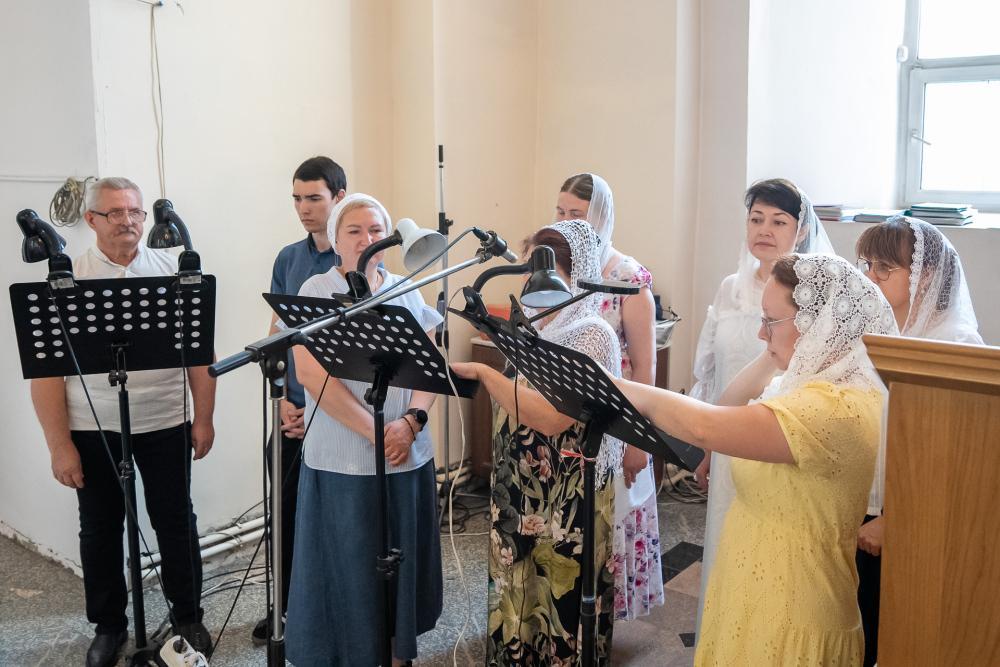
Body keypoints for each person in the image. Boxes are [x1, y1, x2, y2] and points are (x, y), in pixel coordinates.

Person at [614, 253, 897, 665]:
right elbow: (728, 402)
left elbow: (707, 426)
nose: (761, 333)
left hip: (794, 613)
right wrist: (778, 346)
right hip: (751, 591)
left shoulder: (834, 408)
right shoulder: (805, 386)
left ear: (816, 324)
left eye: (770, 321)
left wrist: (622, 386)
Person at [29, 177, 217, 667]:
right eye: (115, 212)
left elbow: (201, 356)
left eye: (135, 211)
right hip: (92, 426)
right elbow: (46, 374)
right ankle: (109, 625)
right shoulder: (67, 279)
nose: (128, 221)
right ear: (91, 220)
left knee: (176, 520)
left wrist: (204, 418)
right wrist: (59, 446)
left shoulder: (174, 272)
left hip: (165, 420)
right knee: (99, 527)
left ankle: (188, 616)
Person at [451, 219, 624, 664]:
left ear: (574, 274)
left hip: (565, 495)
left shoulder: (592, 334)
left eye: (546, 273)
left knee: (556, 595)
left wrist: (485, 373)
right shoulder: (541, 325)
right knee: (518, 590)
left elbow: (550, 417)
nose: (534, 284)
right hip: (522, 488)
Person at [284, 193, 442, 667]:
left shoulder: (407, 287)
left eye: (375, 230)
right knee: (350, 564)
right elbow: (311, 375)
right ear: (335, 240)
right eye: (354, 231)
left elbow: (430, 365)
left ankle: (397, 654)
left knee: (400, 561)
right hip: (343, 458)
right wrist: (376, 432)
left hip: (405, 452)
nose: (366, 239)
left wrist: (411, 422)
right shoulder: (316, 290)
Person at [689, 178, 834, 635]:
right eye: (756, 219)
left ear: (801, 231)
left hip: (780, 444)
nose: (764, 230)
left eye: (778, 221)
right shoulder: (730, 288)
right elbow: (710, 371)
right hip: (729, 438)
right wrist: (706, 444)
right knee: (725, 546)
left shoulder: (815, 295)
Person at [854, 215, 983, 666]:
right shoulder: (884, 330)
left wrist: (894, 519)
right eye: (867, 265)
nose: (870, 277)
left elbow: (954, 455)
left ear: (924, 276)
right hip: (864, 505)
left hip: (913, 517)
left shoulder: (956, 343)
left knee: (894, 635)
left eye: (884, 268)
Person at [556, 173, 664, 621]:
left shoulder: (628, 278)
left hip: (616, 417)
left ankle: (603, 618)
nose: (566, 222)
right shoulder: (556, 267)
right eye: (560, 212)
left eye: (577, 214)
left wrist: (639, 440)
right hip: (563, 414)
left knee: (612, 516)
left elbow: (645, 368)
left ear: (600, 217)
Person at [253, 156, 346, 645]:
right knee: (286, 515)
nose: (304, 208)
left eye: (314, 198)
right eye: (297, 199)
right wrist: (284, 402)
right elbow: (277, 334)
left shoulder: (353, 260)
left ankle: (332, 607)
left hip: (335, 414)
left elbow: (351, 355)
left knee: (332, 518)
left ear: (338, 198)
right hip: (291, 409)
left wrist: (315, 409)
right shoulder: (288, 259)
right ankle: (285, 609)